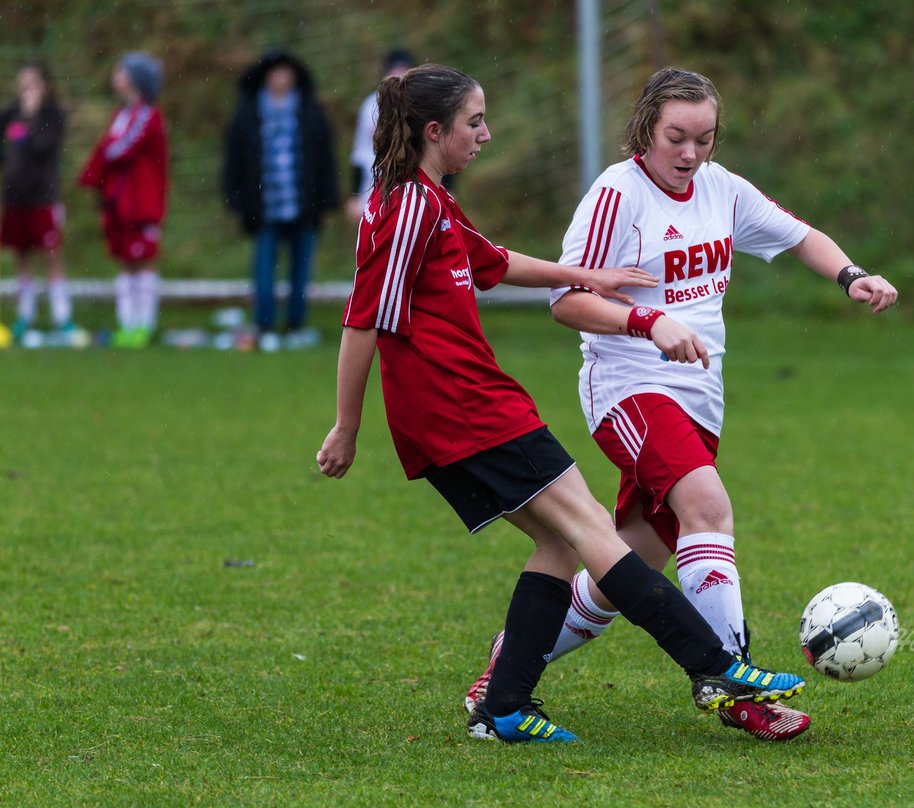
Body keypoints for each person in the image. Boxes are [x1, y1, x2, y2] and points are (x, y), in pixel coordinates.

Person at [314, 63, 805, 744]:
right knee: (595, 536)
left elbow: (493, 262)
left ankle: (506, 706)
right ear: (435, 131)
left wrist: (584, 274)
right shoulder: (405, 211)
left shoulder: (430, 201)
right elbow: (363, 320)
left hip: (472, 406)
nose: (486, 133)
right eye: (474, 122)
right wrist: (347, 426)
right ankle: (719, 667)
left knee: (558, 542)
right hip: (464, 409)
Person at [463, 67, 897, 742]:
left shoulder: (720, 190)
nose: (690, 154)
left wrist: (851, 275)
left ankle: (513, 660)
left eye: (704, 139)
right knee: (707, 506)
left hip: (699, 397)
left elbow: (798, 233)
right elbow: (567, 300)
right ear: (646, 130)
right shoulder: (617, 193)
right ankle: (731, 681)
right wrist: (647, 323)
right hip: (628, 386)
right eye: (676, 138)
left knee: (627, 559)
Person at [223, 48, 337, 352]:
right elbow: (234, 158)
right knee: (263, 269)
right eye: (276, 73)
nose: (281, 79)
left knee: (301, 270)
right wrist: (235, 197)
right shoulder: (248, 112)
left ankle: (297, 324)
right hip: (265, 207)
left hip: (302, 205)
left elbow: (324, 157)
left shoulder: (309, 111)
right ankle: (264, 324)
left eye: (286, 73)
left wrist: (327, 197)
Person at [78, 52, 167, 348]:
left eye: (122, 71)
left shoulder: (148, 115)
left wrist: (102, 153)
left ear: (136, 79)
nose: (116, 76)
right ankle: (127, 324)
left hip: (142, 204)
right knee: (126, 261)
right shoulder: (121, 113)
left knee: (144, 260)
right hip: (121, 202)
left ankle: (145, 324)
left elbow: (118, 149)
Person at [0, 60, 69, 342]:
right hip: (16, 196)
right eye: (23, 83)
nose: (26, 89)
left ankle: (62, 317)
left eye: (32, 83)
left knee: (52, 255)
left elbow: (41, 147)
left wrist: (30, 117)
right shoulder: (9, 114)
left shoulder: (53, 116)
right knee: (22, 255)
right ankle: (24, 316)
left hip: (43, 196)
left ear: (45, 86)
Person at [347, 48, 416, 223]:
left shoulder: (420, 105)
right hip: (374, 184)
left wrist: (446, 186)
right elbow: (359, 154)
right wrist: (355, 195)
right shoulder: (370, 106)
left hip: (412, 183)